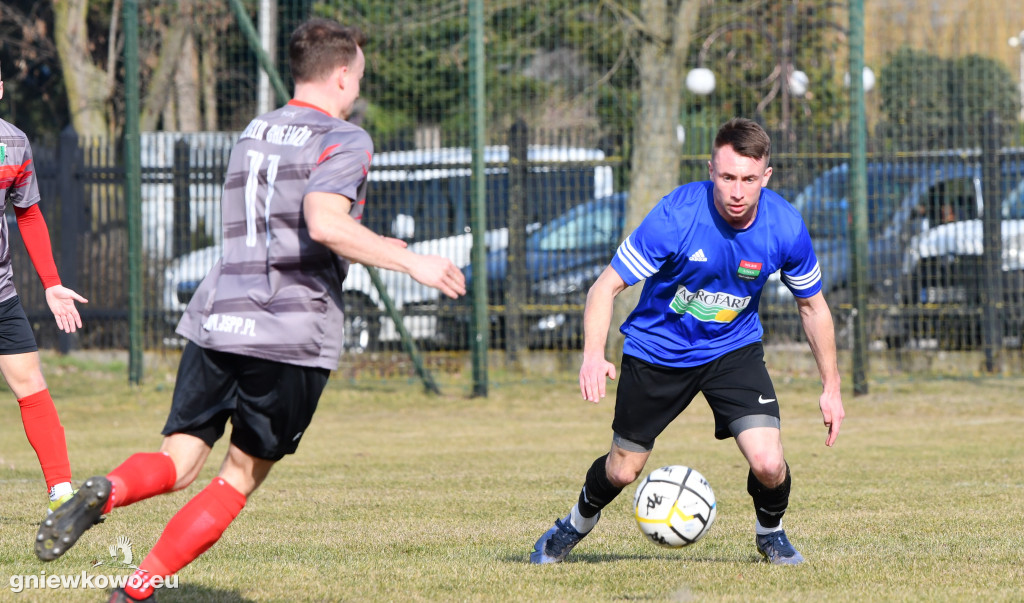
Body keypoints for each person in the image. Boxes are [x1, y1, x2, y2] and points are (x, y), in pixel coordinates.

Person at [36, 18, 466, 602]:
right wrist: (413, 264)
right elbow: (321, 221)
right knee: (236, 478)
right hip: (289, 329)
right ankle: (133, 591)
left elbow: (289, 224)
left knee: (177, 460)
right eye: (359, 76)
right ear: (342, 75)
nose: (359, 88)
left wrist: (379, 246)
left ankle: (106, 489)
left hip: (218, 315)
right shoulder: (346, 137)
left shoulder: (257, 128)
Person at [529, 118, 844, 566]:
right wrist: (592, 356)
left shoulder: (785, 226)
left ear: (766, 176)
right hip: (657, 350)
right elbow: (604, 288)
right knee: (623, 469)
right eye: (728, 177)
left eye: (749, 179)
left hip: (731, 349)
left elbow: (813, 307)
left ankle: (770, 533)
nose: (737, 191)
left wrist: (831, 386)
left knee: (769, 463)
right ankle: (573, 525)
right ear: (711, 169)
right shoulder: (677, 216)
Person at [0, 64, 89, 514]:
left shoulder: (14, 142)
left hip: (1, 293)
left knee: (31, 384)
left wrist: (52, 284)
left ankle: (62, 492)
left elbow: (28, 214)